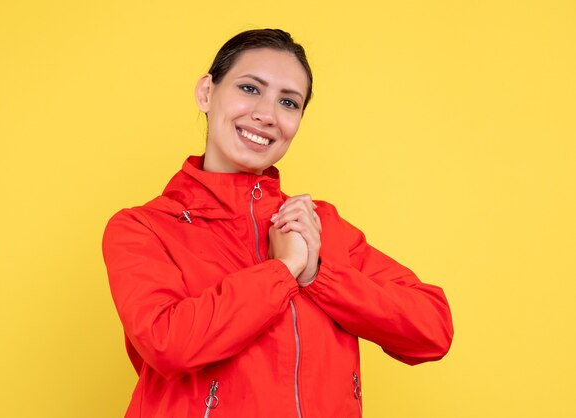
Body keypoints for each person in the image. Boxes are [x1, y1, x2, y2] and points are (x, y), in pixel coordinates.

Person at [102, 28, 453, 418]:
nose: (267, 115)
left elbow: (432, 330)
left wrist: (318, 275)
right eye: (250, 89)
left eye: (288, 102)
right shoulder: (144, 228)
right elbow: (169, 344)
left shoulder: (319, 227)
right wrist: (284, 270)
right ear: (206, 93)